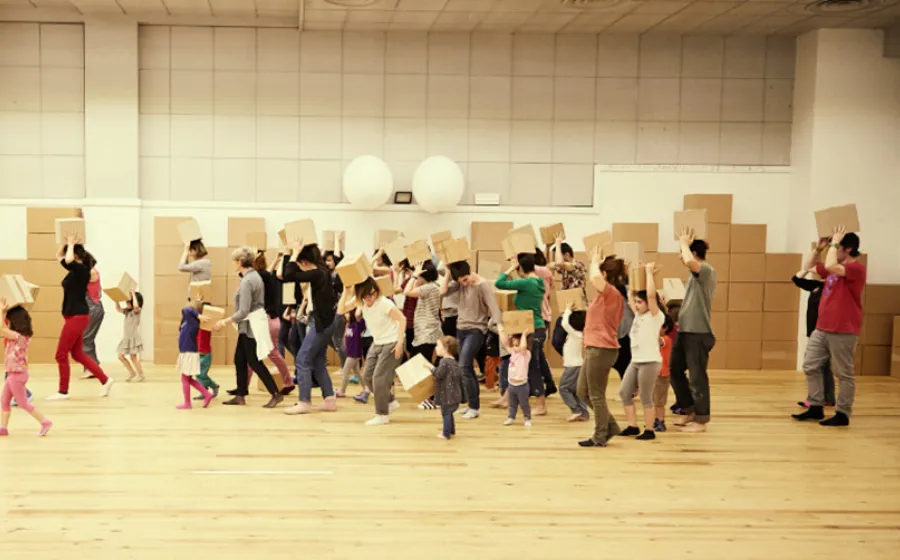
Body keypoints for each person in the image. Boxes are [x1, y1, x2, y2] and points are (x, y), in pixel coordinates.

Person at [793, 227, 865, 427]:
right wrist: (819, 247)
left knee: (843, 373)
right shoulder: (833, 269)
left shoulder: (856, 269)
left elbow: (831, 265)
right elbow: (809, 266)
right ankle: (815, 406)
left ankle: (842, 413)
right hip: (822, 328)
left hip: (843, 330)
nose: (833, 250)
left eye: (837, 247)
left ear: (848, 249)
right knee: (810, 365)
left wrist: (835, 241)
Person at [48, 238, 113, 401]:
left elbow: (68, 259)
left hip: (78, 316)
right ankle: (105, 380)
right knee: (77, 354)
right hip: (73, 315)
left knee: (61, 354)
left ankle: (63, 391)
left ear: (76, 255)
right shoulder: (73, 270)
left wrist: (70, 244)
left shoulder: (83, 270)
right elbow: (59, 257)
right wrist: (64, 243)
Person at [218, 247, 282, 408]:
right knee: (240, 359)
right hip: (248, 326)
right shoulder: (252, 276)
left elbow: (243, 311)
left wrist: (225, 322)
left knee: (254, 361)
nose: (233, 264)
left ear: (240, 262)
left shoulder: (248, 281)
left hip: (250, 327)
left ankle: (275, 393)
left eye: (235, 261)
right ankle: (240, 394)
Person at [669, 226, 717, 433]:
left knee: (697, 377)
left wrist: (684, 242)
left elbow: (689, 261)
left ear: (693, 253)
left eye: (683, 252)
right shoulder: (693, 276)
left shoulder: (706, 270)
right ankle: (689, 409)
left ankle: (701, 419)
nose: (680, 256)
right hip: (685, 331)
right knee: (674, 369)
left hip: (698, 333)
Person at [282, 242, 338, 415]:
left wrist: (295, 252)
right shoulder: (322, 272)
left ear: (304, 262)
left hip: (321, 323)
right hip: (324, 322)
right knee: (317, 361)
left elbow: (288, 275)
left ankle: (304, 402)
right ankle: (329, 400)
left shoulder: (317, 273)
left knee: (302, 359)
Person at [577, 248, 625, 448]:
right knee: (582, 391)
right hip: (594, 348)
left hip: (602, 349)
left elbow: (595, 280)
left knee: (596, 395)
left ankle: (599, 436)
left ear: (604, 274)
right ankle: (610, 427)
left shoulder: (612, 293)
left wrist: (594, 262)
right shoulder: (603, 296)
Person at [443, 261, 503, 420]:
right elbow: (443, 292)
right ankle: (472, 404)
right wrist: (448, 271)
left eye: (466, 279)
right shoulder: (459, 284)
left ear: (470, 272)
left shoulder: (483, 285)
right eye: (461, 281)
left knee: (464, 365)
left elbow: (494, 308)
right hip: (461, 328)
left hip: (476, 330)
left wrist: (501, 329)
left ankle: (474, 407)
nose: (465, 283)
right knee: (466, 368)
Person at [341, 279, 405, 426]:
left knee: (379, 378)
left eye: (373, 293)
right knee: (367, 377)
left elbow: (402, 319)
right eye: (367, 295)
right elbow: (341, 310)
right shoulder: (360, 302)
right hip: (377, 342)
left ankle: (382, 415)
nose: (371, 297)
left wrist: (400, 343)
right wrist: (345, 291)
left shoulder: (384, 303)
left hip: (392, 341)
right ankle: (390, 401)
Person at [495, 253, 549, 415]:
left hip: (531, 331)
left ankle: (541, 406)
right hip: (537, 328)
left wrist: (511, 267)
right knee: (531, 366)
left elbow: (499, 283)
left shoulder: (527, 283)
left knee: (532, 369)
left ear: (521, 268)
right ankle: (508, 397)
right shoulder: (538, 281)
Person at [618, 263, 666, 441]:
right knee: (624, 392)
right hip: (636, 361)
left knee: (646, 397)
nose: (636, 305)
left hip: (650, 362)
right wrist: (632, 276)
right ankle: (632, 426)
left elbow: (651, 296)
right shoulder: (639, 315)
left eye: (640, 302)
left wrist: (648, 274)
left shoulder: (655, 316)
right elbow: (630, 296)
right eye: (636, 302)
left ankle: (649, 430)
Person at [0, 300, 52, 437]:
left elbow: (1, 329)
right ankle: (3, 428)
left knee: (22, 403)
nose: (7, 323)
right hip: (13, 374)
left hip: (17, 375)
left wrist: (2, 311)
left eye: (9, 321)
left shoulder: (18, 337)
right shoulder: (23, 336)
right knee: (4, 401)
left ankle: (45, 422)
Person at [791, 269, 835, 408]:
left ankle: (820, 398)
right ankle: (824, 398)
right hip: (814, 331)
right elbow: (796, 279)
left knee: (817, 366)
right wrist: (806, 269)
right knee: (820, 366)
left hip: (825, 331)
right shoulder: (816, 285)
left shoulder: (833, 288)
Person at [252, 251, 294, 395]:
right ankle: (243, 386)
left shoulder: (259, 277)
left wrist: (277, 259)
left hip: (267, 320)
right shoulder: (267, 277)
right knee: (252, 352)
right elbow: (268, 271)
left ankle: (288, 382)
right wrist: (276, 259)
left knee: (271, 353)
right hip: (272, 320)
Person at [175, 299, 213, 409]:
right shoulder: (187, 321)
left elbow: (185, 310)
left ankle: (187, 403)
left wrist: (198, 315)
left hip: (189, 352)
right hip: (186, 351)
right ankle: (207, 394)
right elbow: (181, 324)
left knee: (184, 378)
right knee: (188, 379)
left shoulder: (193, 320)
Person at [428, 335, 463, 440]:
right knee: (449, 412)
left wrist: (431, 367)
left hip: (447, 395)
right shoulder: (454, 361)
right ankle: (451, 431)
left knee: (446, 413)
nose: (436, 348)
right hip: (454, 394)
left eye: (438, 346)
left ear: (446, 348)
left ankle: (446, 433)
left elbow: (438, 374)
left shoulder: (444, 361)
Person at [559, 305, 589, 422]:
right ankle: (584, 413)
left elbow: (564, 324)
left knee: (563, 388)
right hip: (576, 365)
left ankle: (576, 410)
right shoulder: (578, 334)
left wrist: (567, 309)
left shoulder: (575, 334)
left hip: (573, 366)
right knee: (576, 390)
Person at [80, 251, 104, 379]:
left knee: (85, 338)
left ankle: (91, 369)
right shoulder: (91, 271)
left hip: (93, 308)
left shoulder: (91, 272)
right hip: (92, 307)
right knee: (88, 339)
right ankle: (93, 367)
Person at [501, 328, 532, 428]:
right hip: (511, 385)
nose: (515, 347)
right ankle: (511, 417)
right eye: (514, 343)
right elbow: (505, 343)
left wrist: (524, 334)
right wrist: (501, 328)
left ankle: (527, 418)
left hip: (522, 385)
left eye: (516, 344)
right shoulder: (513, 353)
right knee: (512, 403)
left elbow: (523, 347)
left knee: (524, 404)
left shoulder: (525, 354)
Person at [324, 237, 346, 368]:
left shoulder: (340, 274)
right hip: (330, 310)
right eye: (326, 260)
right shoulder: (328, 274)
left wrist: (337, 241)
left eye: (330, 260)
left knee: (337, 340)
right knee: (329, 338)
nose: (327, 263)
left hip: (339, 310)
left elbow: (340, 260)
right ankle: (348, 363)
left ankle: (346, 366)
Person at [654, 306, 676, 432]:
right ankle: (656, 420)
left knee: (659, 401)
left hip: (662, 375)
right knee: (654, 400)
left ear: (665, 328)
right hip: (655, 374)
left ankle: (661, 421)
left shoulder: (666, 340)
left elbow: (659, 341)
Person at [115, 289, 144, 382]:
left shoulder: (137, 311)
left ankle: (141, 375)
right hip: (126, 338)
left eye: (128, 302)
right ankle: (132, 372)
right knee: (120, 356)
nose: (126, 303)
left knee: (133, 357)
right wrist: (116, 300)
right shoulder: (127, 312)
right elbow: (118, 309)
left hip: (133, 337)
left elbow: (136, 306)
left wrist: (133, 294)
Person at [337, 310, 365, 398]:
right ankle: (366, 388)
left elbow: (361, 321)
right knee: (357, 372)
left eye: (347, 313)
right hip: (350, 353)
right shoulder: (349, 325)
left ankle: (342, 390)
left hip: (354, 354)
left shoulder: (357, 324)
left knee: (345, 371)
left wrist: (358, 314)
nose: (345, 315)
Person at [194, 302, 218, 400]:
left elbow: (215, 326)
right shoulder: (196, 321)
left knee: (201, 375)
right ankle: (204, 392)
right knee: (198, 374)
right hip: (197, 352)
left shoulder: (209, 324)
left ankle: (214, 386)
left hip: (205, 353)